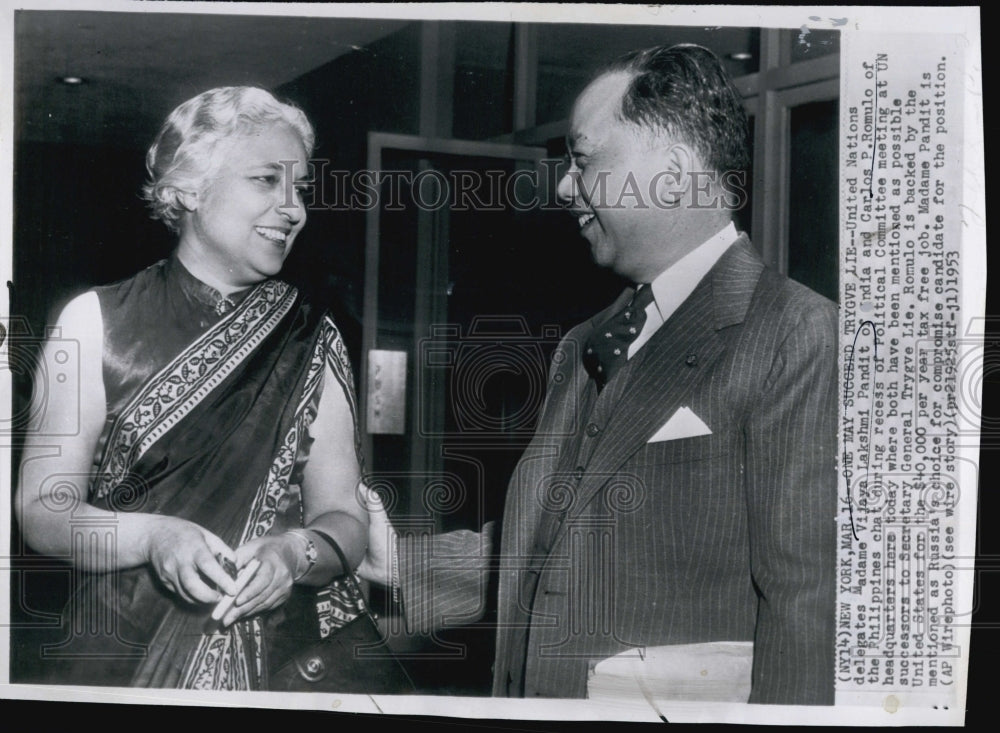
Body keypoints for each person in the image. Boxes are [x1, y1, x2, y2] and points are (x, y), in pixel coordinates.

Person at [359, 44, 837, 705]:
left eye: (582, 160)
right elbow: (571, 532)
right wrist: (403, 565)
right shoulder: (590, 340)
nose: (563, 186)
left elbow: (809, 606)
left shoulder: (798, 334)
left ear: (671, 173)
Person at [15, 87, 368, 689]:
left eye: (301, 189)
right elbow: (41, 513)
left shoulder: (313, 336)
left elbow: (346, 520)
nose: (295, 209)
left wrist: (294, 553)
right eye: (266, 180)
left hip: (277, 663)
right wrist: (154, 537)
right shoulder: (94, 322)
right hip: (119, 653)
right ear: (187, 189)